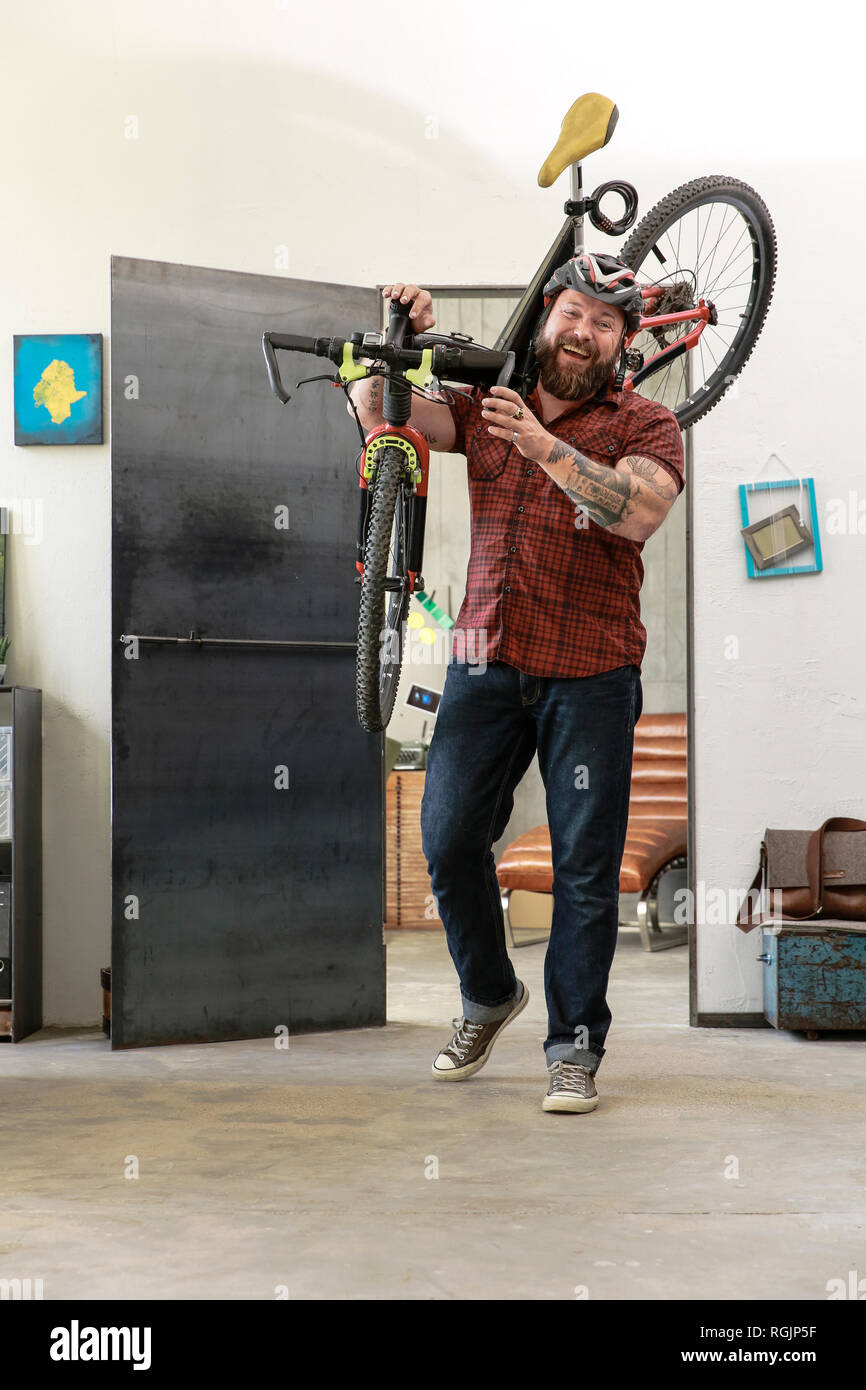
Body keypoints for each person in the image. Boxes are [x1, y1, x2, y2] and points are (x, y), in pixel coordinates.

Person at [349, 253, 685, 1113]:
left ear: (624, 341)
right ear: (546, 319)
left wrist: (539, 441)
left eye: (604, 323)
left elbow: (638, 512)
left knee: (583, 868)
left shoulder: (647, 425)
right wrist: (397, 334)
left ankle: (573, 1049)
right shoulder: (483, 401)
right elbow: (381, 414)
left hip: (594, 673)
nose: (583, 331)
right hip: (484, 659)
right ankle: (490, 993)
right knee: (449, 839)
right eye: (571, 313)